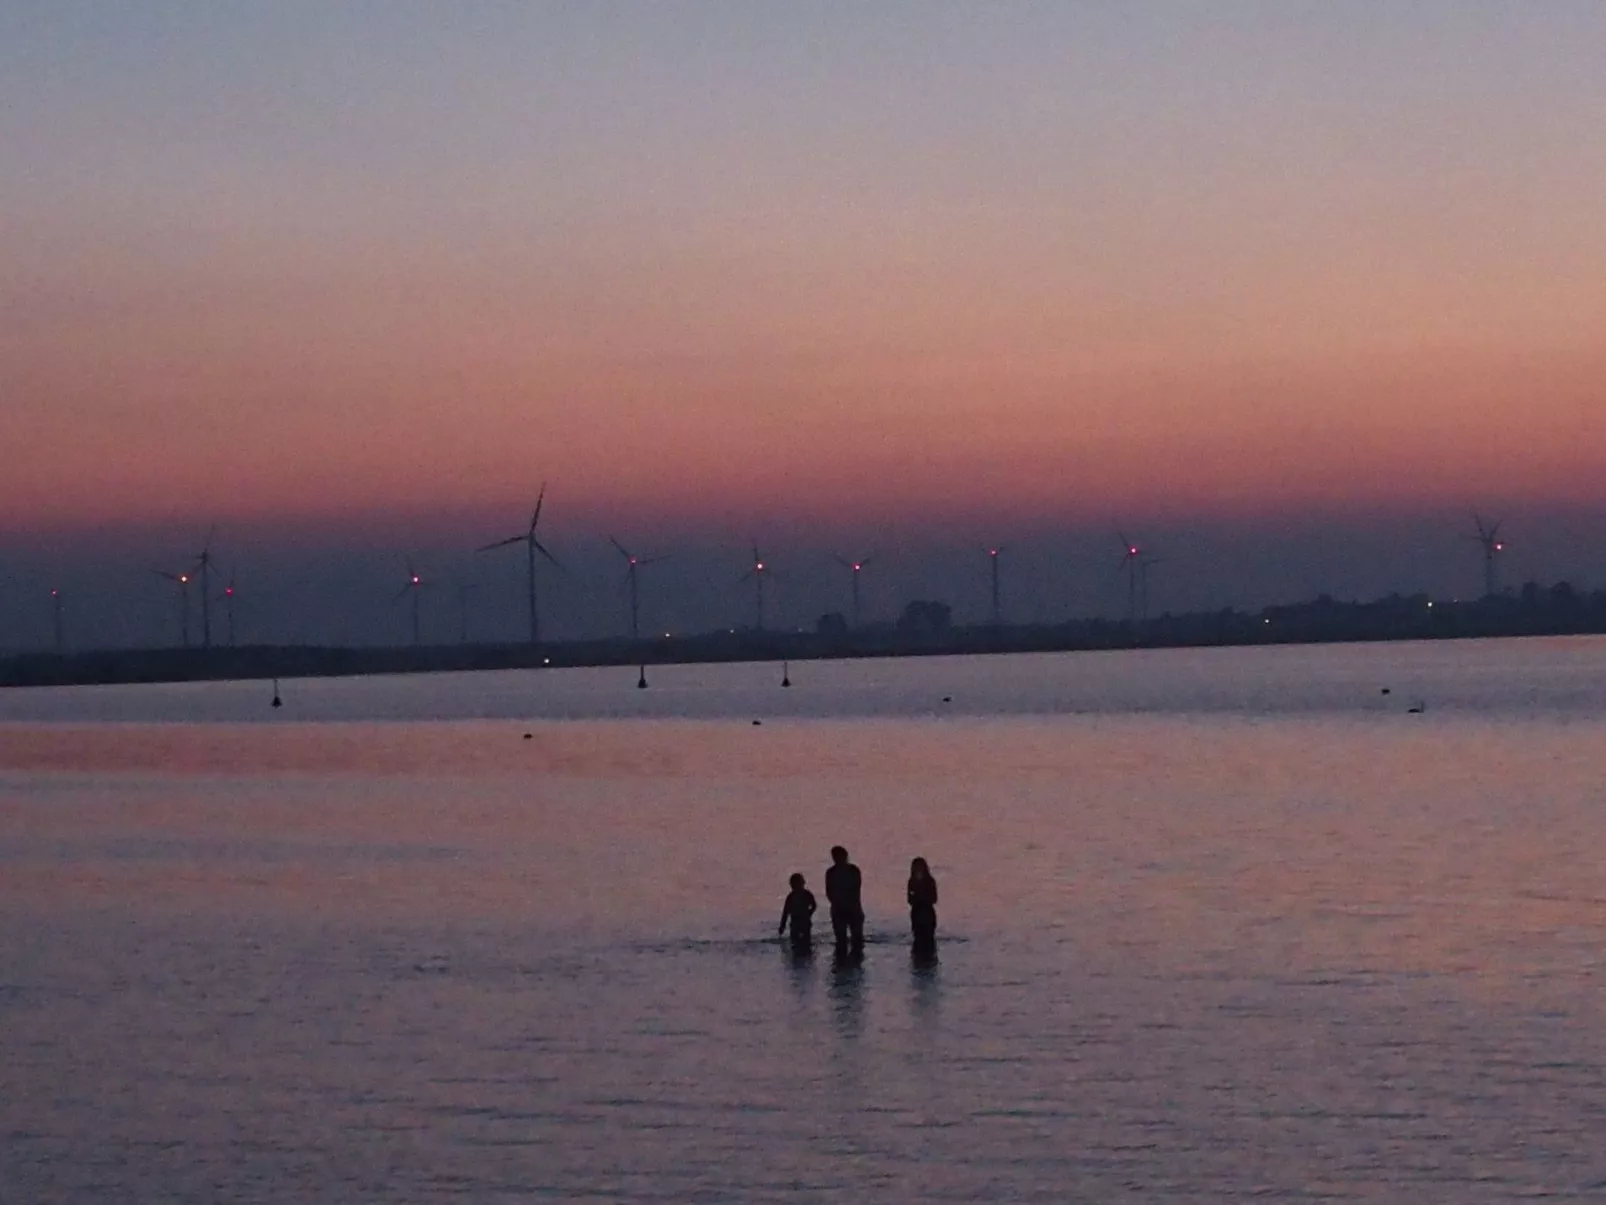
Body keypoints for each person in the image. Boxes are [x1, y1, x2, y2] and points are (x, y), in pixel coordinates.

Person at [824, 845, 865, 955]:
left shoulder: (854, 870)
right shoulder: (830, 873)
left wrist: (848, 904)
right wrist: (837, 903)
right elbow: (829, 891)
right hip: (838, 909)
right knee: (840, 941)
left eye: (839, 856)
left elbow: (856, 890)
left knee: (857, 941)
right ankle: (840, 964)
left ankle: (856, 964)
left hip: (854, 908)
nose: (837, 859)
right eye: (835, 857)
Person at [778, 872, 816, 952]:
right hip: (795, 922)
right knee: (794, 942)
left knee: (806, 941)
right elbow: (785, 912)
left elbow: (814, 905)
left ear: (803, 883)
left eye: (798, 884)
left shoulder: (807, 894)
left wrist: (810, 913)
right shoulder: (790, 897)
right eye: (794, 885)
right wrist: (782, 926)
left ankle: (807, 953)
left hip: (805, 921)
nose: (796, 887)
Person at [907, 857, 938, 953]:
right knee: (918, 941)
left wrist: (922, 897)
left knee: (929, 941)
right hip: (917, 914)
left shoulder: (930, 881)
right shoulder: (911, 882)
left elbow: (934, 899)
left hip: (928, 914)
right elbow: (909, 900)